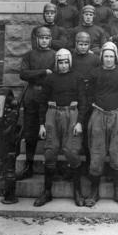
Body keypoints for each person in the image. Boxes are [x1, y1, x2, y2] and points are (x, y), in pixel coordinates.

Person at [33, 48, 87, 207]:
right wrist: (42, 124)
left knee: (71, 151)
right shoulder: (50, 79)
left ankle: (77, 191)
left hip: (71, 115)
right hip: (53, 114)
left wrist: (80, 122)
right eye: (60, 62)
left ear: (70, 62)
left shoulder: (77, 77)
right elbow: (42, 102)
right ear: (56, 63)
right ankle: (47, 191)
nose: (63, 65)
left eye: (66, 62)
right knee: (50, 150)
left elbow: (83, 101)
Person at [85, 42, 118, 207]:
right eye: (105, 56)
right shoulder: (94, 73)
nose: (108, 59)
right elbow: (89, 95)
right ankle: (94, 192)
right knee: (97, 153)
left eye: (111, 56)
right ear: (101, 57)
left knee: (117, 153)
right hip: (98, 114)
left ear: (116, 57)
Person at [17, 27, 56, 181]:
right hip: (32, 95)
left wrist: (43, 74)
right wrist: (43, 72)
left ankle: (52, 167)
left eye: (47, 38)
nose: (44, 40)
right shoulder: (29, 55)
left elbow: (56, 74)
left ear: (50, 39)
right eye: (41, 38)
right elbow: (23, 74)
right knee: (30, 132)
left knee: (51, 130)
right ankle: (29, 165)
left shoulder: (54, 55)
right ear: (36, 39)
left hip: (49, 95)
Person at [71, 32, 101, 165]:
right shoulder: (71, 58)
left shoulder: (94, 59)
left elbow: (98, 77)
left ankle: (89, 162)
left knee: (90, 129)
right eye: (80, 44)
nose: (83, 47)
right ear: (76, 44)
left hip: (90, 95)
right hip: (75, 95)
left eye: (85, 44)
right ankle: (73, 163)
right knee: (75, 128)